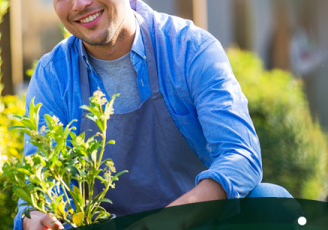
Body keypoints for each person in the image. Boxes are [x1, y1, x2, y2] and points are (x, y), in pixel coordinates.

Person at [16, 0, 293, 229]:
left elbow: (241, 156)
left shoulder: (189, 48)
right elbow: (38, 187)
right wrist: (37, 219)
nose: (80, 5)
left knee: (271, 201)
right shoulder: (53, 75)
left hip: (198, 222)